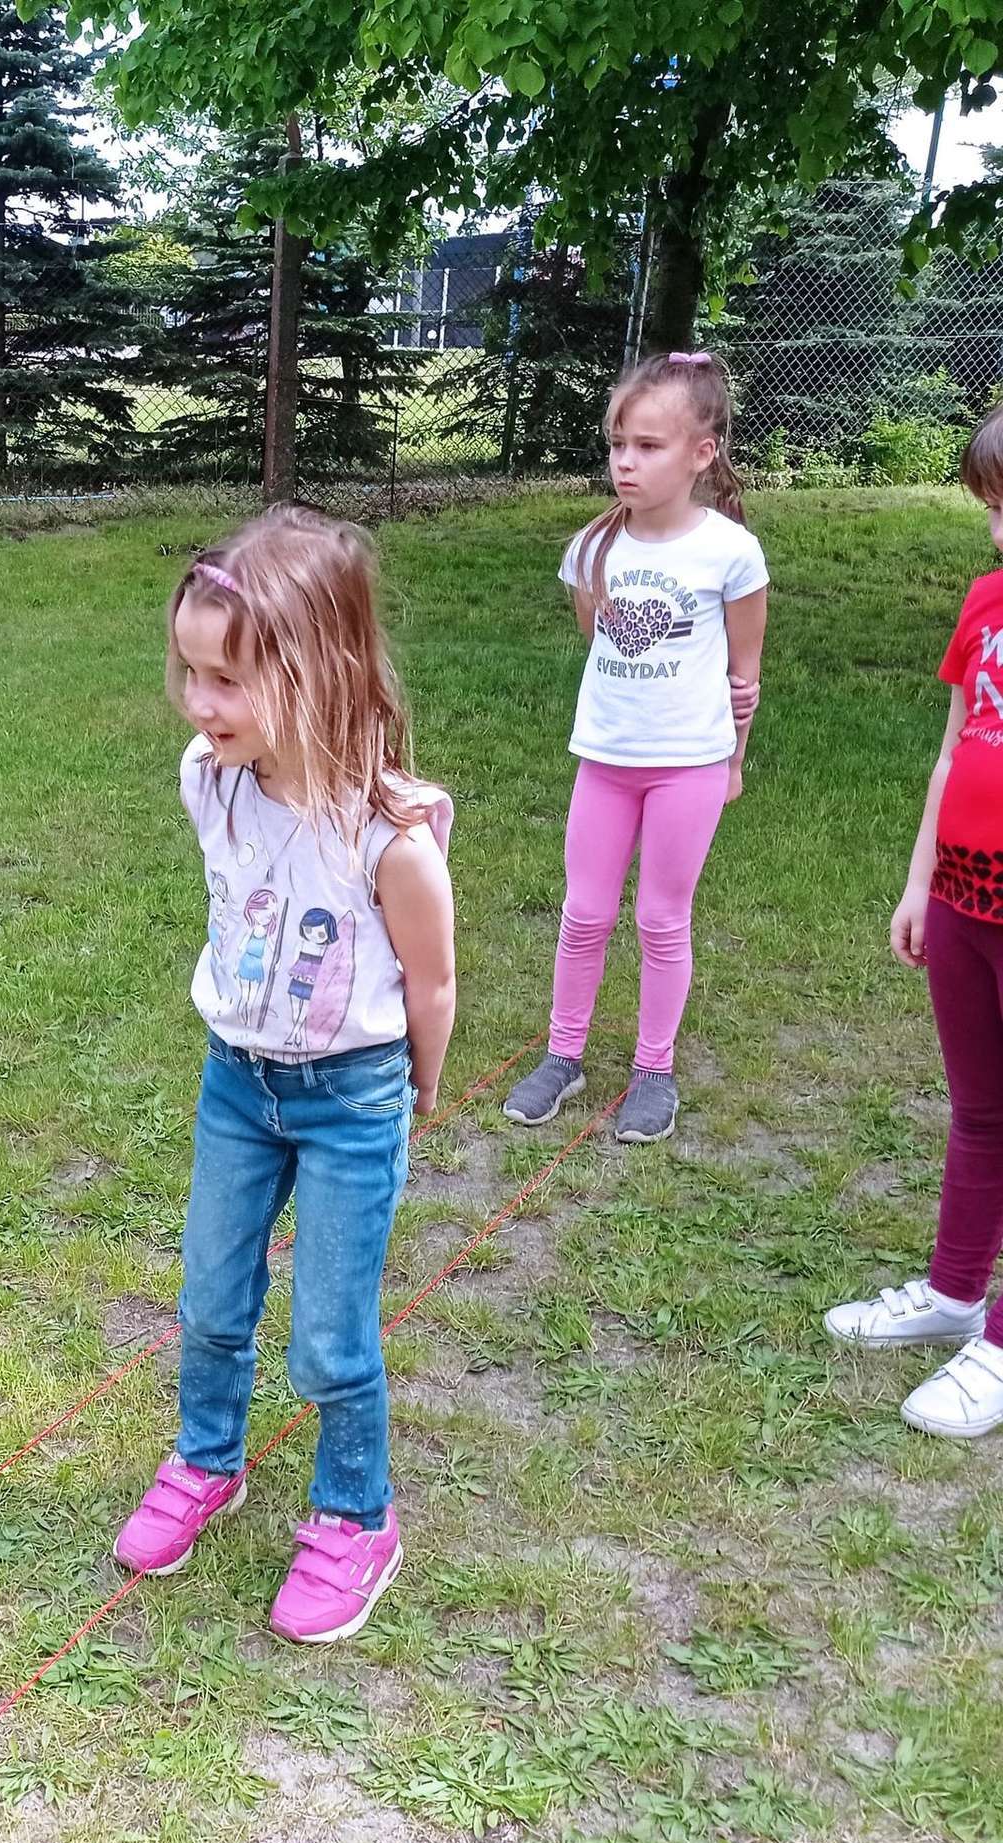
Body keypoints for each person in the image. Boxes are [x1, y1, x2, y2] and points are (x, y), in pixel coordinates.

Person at [111, 506, 456, 1645]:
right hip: (237, 1086)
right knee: (211, 1298)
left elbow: (431, 984)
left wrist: (416, 1093)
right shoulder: (210, 780)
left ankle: (357, 1517)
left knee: (330, 1336)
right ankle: (207, 1459)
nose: (197, 703)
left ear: (317, 671)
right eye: (190, 672)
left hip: (353, 1098)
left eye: (227, 679)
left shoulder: (390, 837)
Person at [503, 350, 769, 1145]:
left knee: (660, 919)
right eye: (618, 443)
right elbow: (601, 642)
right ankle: (563, 1056)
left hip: (689, 766)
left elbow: (744, 678)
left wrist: (733, 762)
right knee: (583, 913)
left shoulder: (730, 553)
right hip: (606, 763)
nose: (625, 461)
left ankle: (655, 1070)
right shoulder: (593, 549)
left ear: (701, 453)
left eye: (648, 446)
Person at [825, 404, 1003, 1437]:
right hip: (963, 896)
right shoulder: (984, 601)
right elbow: (952, 748)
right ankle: (954, 1293)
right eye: (992, 510)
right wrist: (918, 879)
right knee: (979, 1112)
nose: (998, 532)